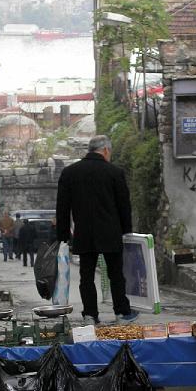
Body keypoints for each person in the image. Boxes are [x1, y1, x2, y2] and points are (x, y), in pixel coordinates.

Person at [56, 135, 139, 325]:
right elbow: (124, 205)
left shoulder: (70, 173)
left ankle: (90, 315)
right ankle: (121, 312)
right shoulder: (115, 172)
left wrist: (63, 236)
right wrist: (126, 230)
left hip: (84, 232)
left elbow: (62, 207)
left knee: (86, 276)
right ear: (106, 150)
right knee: (115, 273)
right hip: (111, 232)